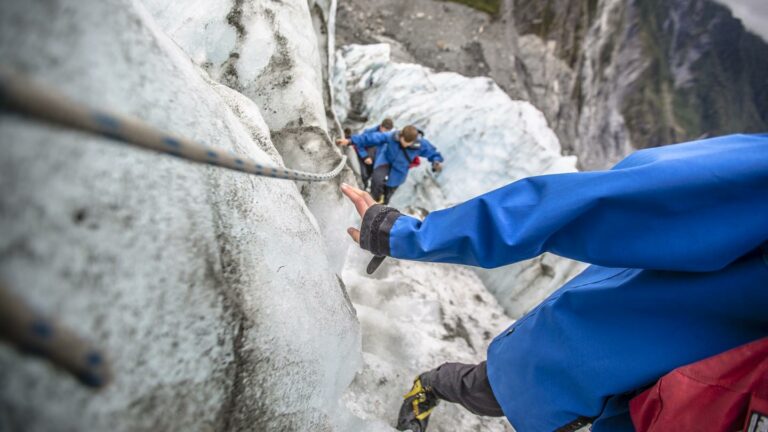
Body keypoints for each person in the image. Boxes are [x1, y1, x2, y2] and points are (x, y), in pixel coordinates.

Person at [340, 133, 768, 432]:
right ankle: (429, 385)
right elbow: (596, 203)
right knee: (494, 389)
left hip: (625, 386)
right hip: (590, 354)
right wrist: (404, 234)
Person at [338, 125, 444, 204]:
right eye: (404, 141)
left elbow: (433, 153)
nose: (405, 144)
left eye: (409, 143)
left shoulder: (421, 144)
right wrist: (350, 141)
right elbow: (372, 137)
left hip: (400, 169)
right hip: (386, 160)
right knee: (376, 178)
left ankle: (384, 203)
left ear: (414, 140)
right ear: (400, 135)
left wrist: (436, 162)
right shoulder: (392, 136)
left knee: (390, 189)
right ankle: (374, 199)